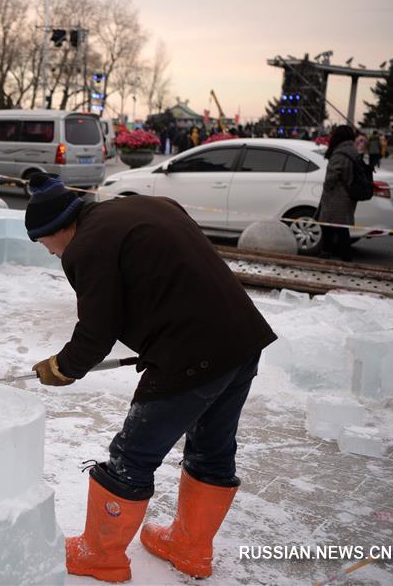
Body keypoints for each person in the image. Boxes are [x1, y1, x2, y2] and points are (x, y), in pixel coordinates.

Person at [24, 173, 276, 583]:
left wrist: (62, 367)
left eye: (43, 244)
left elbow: (97, 330)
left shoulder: (85, 246)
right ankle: (191, 548)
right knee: (212, 449)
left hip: (191, 354)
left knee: (132, 455)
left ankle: (100, 555)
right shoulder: (144, 205)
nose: (50, 253)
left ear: (56, 229)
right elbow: (167, 272)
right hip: (241, 339)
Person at [317, 125, 363, 262]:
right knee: (339, 227)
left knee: (331, 227)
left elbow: (332, 176)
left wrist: (326, 186)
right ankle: (342, 255)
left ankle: (329, 254)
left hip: (336, 196)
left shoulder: (339, 153)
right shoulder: (352, 151)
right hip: (348, 195)